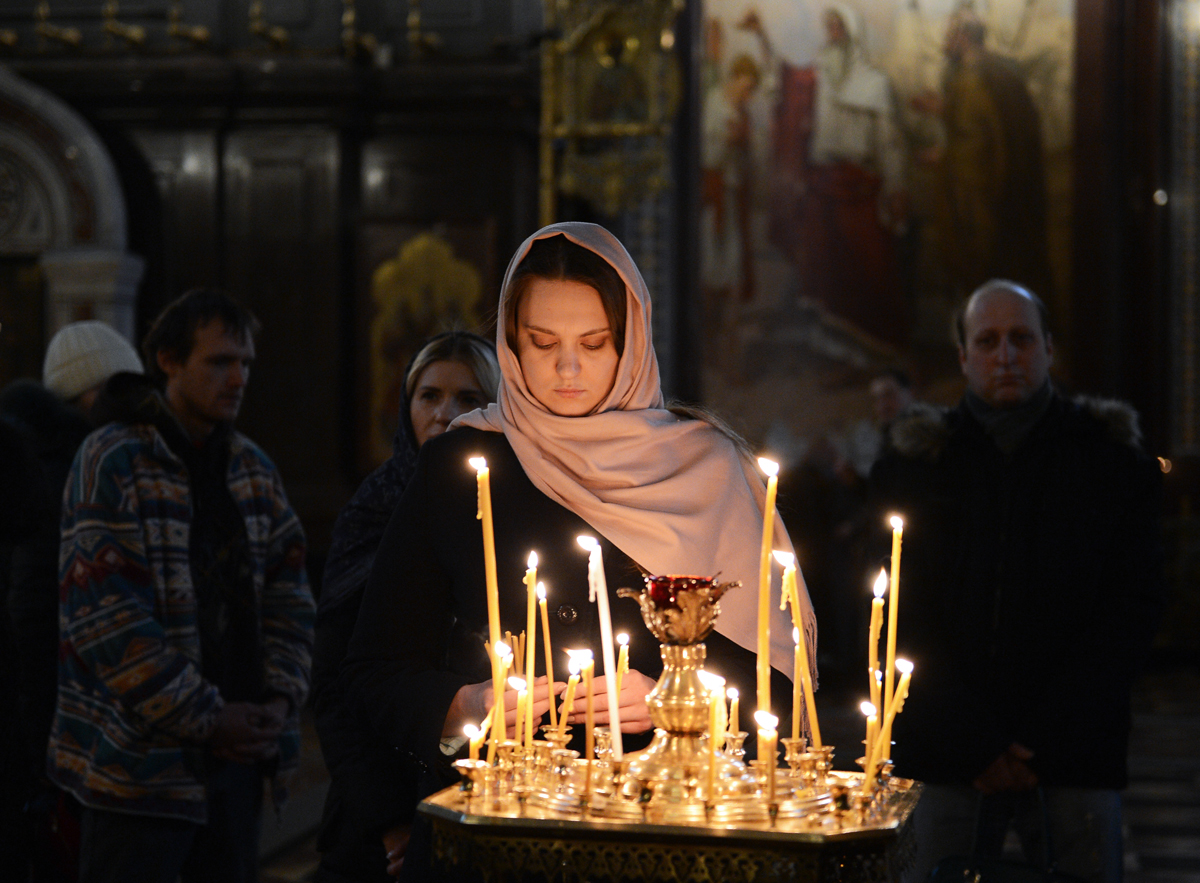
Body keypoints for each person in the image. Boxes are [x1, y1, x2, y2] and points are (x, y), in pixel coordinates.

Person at [342, 222, 811, 881]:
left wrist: (676, 700)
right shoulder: (463, 462)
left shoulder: (709, 467)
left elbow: (788, 693)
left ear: (631, 340)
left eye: (593, 343)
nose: (567, 368)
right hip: (504, 837)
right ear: (509, 340)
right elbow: (375, 669)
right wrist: (467, 705)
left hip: (672, 839)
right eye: (541, 342)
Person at [869, 280, 1165, 883]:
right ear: (963, 357)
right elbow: (898, 611)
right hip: (949, 751)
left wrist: (1046, 737)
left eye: (1021, 339)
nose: (1006, 355)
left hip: (1071, 753)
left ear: (1049, 349)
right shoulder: (915, 466)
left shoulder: (1109, 463)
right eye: (988, 341)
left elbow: (1129, 610)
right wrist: (971, 739)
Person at [48, 289, 315, 883]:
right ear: (168, 361)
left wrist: (277, 702)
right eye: (220, 362)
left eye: (245, 363)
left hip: (240, 757)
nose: (238, 378)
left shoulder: (250, 467)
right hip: (137, 771)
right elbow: (108, 622)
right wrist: (210, 717)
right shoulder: (112, 458)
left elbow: (290, 596)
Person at [313, 331, 500, 883]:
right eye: (429, 395)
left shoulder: (516, 506)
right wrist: (391, 820)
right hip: (379, 802)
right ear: (406, 405)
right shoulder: (375, 508)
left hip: (487, 789)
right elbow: (336, 684)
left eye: (469, 398)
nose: (445, 414)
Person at [1, 320, 145, 883]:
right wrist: (41, 749)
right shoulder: (61, 474)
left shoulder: (47, 460)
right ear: (92, 393)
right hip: (59, 723)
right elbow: (34, 616)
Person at [769, 4, 910, 346]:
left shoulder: (874, 84)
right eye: (828, 27)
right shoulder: (820, 81)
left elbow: (890, 143)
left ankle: (880, 348)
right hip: (825, 184)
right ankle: (841, 353)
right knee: (828, 273)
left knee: (869, 268)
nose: (831, 34)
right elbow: (790, 95)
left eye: (838, 27)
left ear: (852, 33)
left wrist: (896, 186)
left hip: (861, 187)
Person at [915, 9, 1051, 300]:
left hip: (982, 196)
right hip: (1012, 185)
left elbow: (975, 149)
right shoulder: (1000, 72)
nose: (944, 42)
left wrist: (943, 158)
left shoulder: (972, 79)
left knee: (981, 263)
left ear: (963, 37)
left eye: (950, 35)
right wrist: (941, 109)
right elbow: (989, 125)